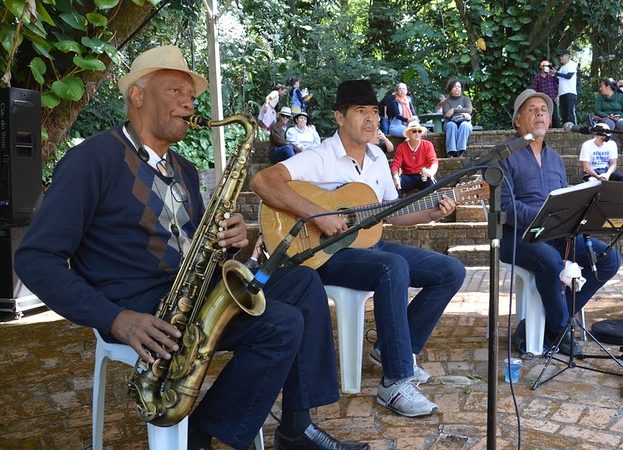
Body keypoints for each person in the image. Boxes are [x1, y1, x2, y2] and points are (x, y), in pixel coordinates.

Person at [12, 46, 367, 450]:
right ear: (138, 95)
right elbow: (36, 259)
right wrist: (115, 319)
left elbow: (199, 246)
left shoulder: (182, 168)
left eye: (192, 96)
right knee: (281, 325)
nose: (189, 103)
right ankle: (201, 434)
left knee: (303, 283)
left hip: (192, 291)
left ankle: (296, 426)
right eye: (176, 91)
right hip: (140, 305)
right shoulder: (90, 162)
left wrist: (233, 240)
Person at [250, 79, 466, 418]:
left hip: (368, 246)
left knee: (450, 270)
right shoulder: (321, 157)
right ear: (339, 117)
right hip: (324, 255)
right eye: (361, 111)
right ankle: (395, 382)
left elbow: (390, 214)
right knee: (392, 266)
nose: (371, 119)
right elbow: (262, 182)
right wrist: (317, 216)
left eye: (375, 112)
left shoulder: (378, 157)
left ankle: (394, 348)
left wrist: (433, 210)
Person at [499, 88, 622, 355]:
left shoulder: (555, 159)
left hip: (558, 232)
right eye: (531, 109)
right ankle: (560, 328)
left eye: (543, 110)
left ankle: (556, 317)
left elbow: (566, 197)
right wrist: (545, 217)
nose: (540, 113)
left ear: (550, 120)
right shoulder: (504, 155)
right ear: (517, 120)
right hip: (518, 236)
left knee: (609, 259)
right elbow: (506, 206)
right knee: (549, 259)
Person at [390, 120, 438, 193]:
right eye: (414, 131)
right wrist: (395, 177)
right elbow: (396, 164)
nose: (417, 133)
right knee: (395, 186)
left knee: (432, 186)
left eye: (419, 131)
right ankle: (399, 204)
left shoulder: (428, 145)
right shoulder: (401, 147)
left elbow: (434, 161)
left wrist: (431, 172)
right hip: (407, 176)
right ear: (409, 133)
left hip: (423, 176)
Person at [594, 78, 623, 154]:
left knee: (621, 123)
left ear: (608, 87)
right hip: (606, 118)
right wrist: (607, 116)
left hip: (619, 118)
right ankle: (608, 148)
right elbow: (597, 110)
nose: (600, 88)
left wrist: (619, 116)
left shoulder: (621, 96)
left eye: (602, 86)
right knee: (609, 124)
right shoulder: (600, 97)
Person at [442, 79, 474, 158]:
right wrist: (463, 112)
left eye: (459, 86)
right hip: (450, 122)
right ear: (451, 89)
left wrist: (454, 110)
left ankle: (460, 151)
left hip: (465, 122)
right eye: (455, 86)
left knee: (464, 125)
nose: (457, 88)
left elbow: (469, 110)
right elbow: (447, 114)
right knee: (451, 125)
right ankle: (451, 151)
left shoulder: (466, 99)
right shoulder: (447, 101)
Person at [532, 59, 560, 127]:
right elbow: (534, 90)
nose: (547, 68)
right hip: (542, 101)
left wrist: (558, 96)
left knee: (555, 117)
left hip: (552, 100)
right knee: (544, 117)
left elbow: (557, 87)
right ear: (542, 67)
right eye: (546, 66)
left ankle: (558, 132)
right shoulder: (537, 77)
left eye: (548, 66)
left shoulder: (551, 76)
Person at [555, 48, 578, 125]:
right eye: (559, 56)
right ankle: (566, 129)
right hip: (562, 93)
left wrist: (556, 73)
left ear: (567, 56)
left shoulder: (571, 64)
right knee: (563, 113)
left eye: (562, 56)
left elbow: (569, 76)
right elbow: (558, 81)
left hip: (570, 92)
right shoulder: (561, 68)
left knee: (570, 112)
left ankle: (574, 129)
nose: (560, 58)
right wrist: (553, 74)